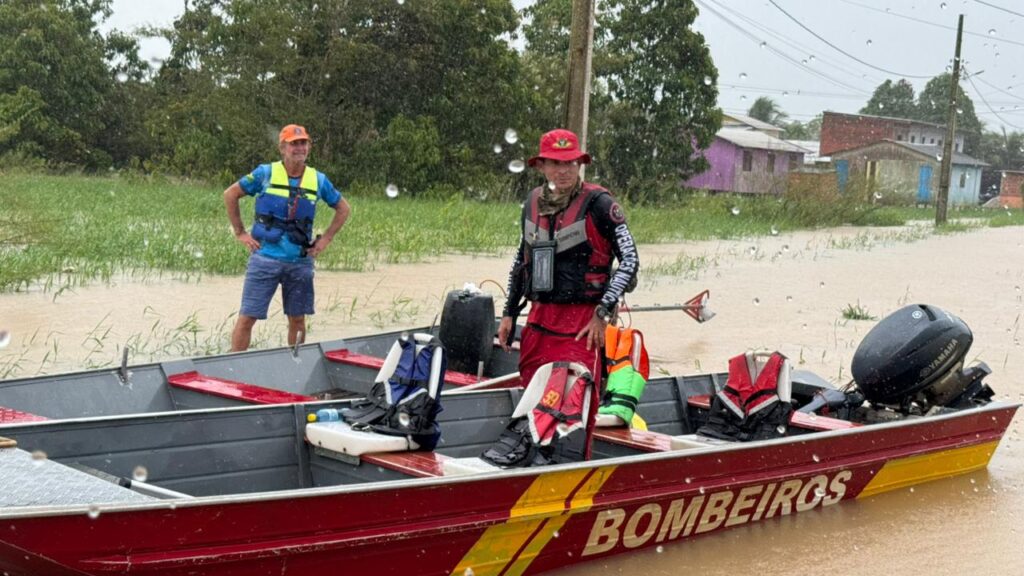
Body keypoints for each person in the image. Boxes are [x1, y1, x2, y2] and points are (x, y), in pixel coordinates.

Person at [497, 128, 640, 389]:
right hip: (538, 321)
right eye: (555, 163)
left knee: (576, 399)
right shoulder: (531, 203)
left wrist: (602, 312)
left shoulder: (602, 205)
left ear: (579, 165)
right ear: (541, 166)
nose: (563, 171)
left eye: (570, 163)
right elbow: (522, 260)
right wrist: (509, 313)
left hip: (584, 324)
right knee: (533, 396)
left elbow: (630, 261)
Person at [223, 124, 351, 351]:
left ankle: (296, 364)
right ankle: (233, 370)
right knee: (247, 318)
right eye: (294, 143)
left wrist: (326, 239)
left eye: (304, 143)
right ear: (283, 147)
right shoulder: (265, 173)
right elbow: (231, 194)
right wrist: (240, 233)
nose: (300, 148)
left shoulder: (318, 180)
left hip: (300, 263)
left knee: (298, 320)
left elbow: (343, 208)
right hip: (264, 259)